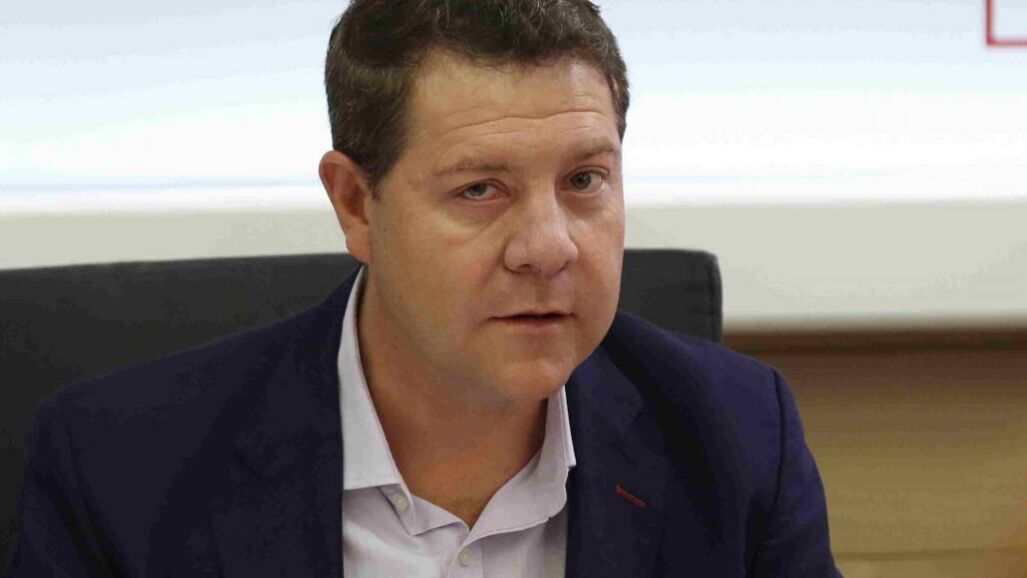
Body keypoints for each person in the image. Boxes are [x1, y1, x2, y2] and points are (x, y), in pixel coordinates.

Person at [5, 0, 841, 576]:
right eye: (479, 189)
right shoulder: (121, 470)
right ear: (355, 204)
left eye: (584, 180)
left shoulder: (735, 437)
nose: (548, 247)